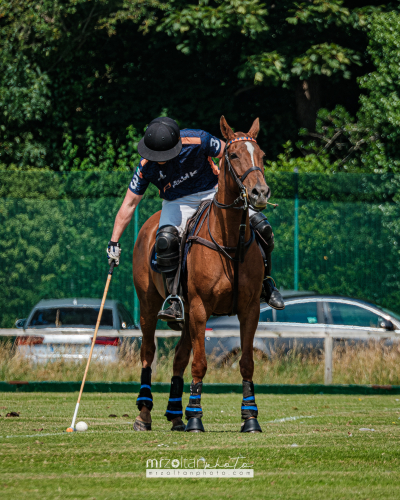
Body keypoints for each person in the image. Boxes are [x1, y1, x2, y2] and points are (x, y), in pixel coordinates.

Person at [107, 117, 284, 321]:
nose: (160, 159)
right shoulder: (146, 165)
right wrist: (114, 242)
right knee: (165, 241)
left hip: (213, 191)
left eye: (164, 154)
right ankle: (174, 299)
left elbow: (231, 154)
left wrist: (236, 185)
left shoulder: (199, 139)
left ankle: (267, 283)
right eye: (156, 155)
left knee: (263, 227)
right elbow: (129, 203)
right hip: (177, 201)